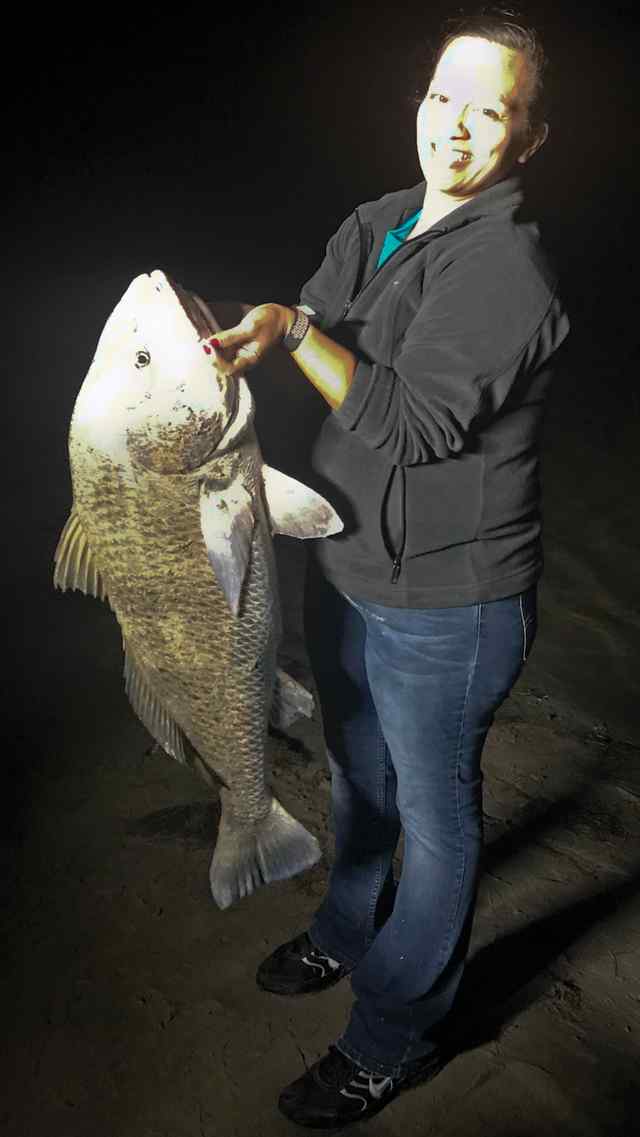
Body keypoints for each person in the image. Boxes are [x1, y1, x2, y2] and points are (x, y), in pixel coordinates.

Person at [203, 7, 570, 1128]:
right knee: (361, 778)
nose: (455, 127)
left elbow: (409, 424)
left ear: (527, 138)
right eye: (441, 97)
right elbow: (308, 324)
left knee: (439, 819)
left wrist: (296, 331)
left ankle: (393, 1035)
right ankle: (346, 926)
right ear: (418, 102)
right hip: (346, 558)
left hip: (450, 605)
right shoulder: (381, 220)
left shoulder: (509, 272)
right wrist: (229, 334)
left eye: (490, 110)